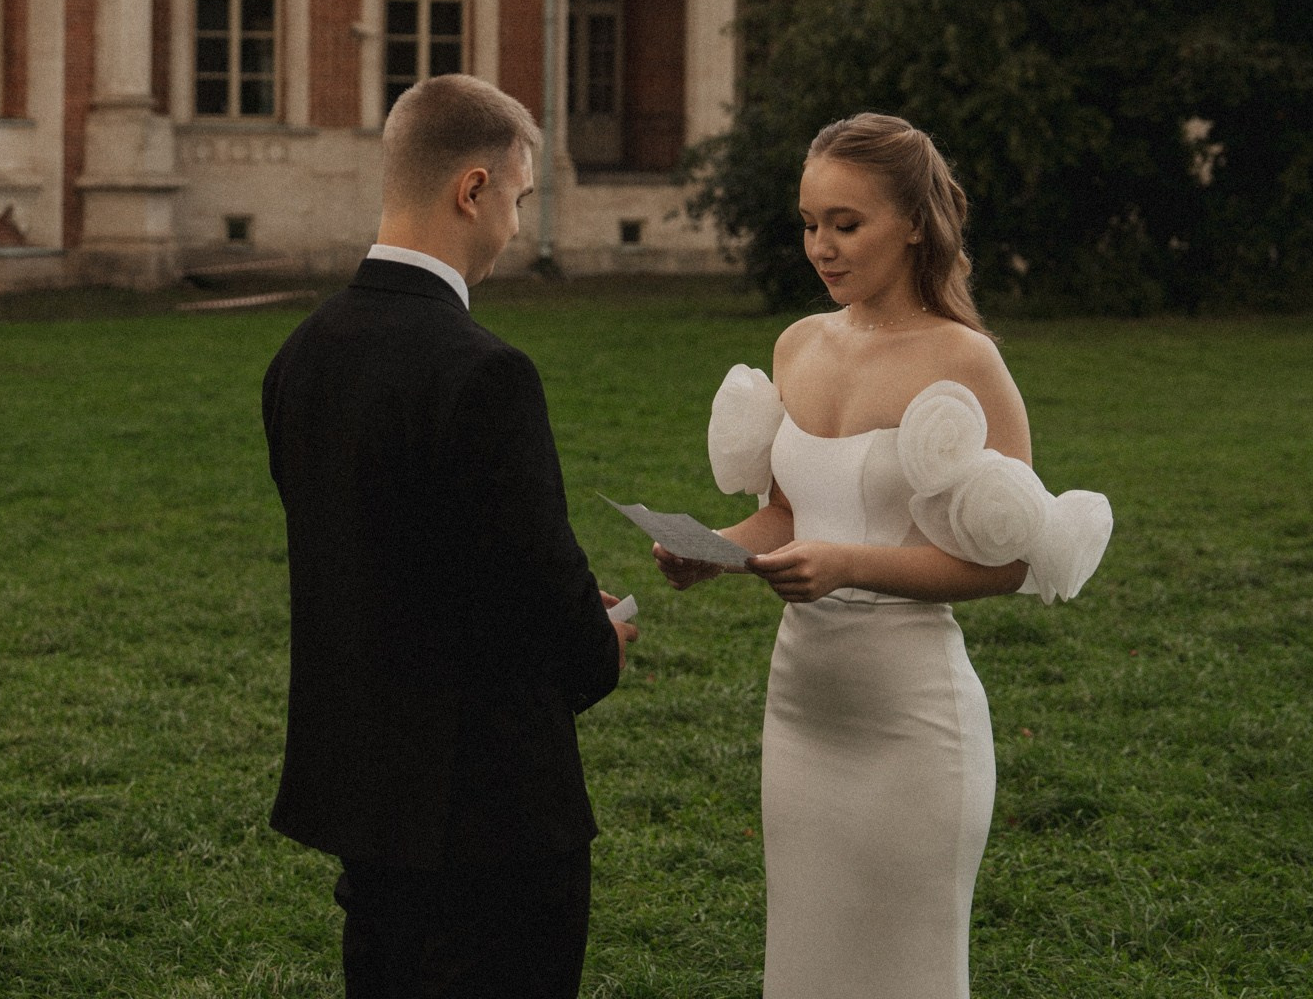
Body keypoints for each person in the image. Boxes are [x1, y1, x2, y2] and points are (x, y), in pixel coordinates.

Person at [653, 112, 1112, 999]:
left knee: (906, 972)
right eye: (809, 223)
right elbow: (788, 513)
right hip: (801, 710)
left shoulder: (966, 363)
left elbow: (1013, 564)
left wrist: (850, 567)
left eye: (845, 223)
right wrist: (713, 553)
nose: (821, 247)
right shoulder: (798, 343)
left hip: (911, 722)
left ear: (912, 223)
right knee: (806, 960)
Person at [263, 74, 638, 999]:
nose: (514, 226)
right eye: (517, 199)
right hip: (494, 817)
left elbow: (379, 565)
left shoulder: (301, 356)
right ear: (472, 190)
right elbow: (545, 587)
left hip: (371, 806)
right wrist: (604, 642)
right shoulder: (486, 374)